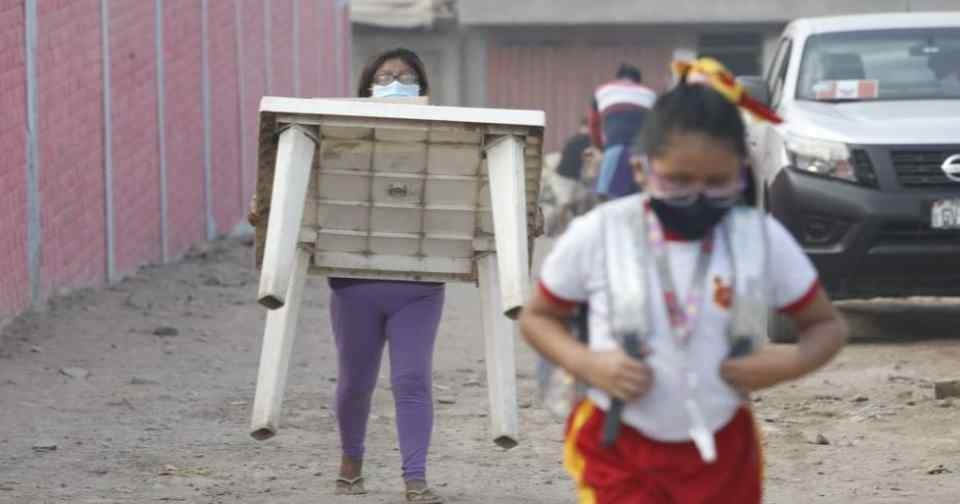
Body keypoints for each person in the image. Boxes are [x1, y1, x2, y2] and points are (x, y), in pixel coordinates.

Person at [519, 58, 848, 503]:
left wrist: (783, 364)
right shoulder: (600, 234)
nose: (697, 195)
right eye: (678, 180)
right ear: (640, 170)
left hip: (722, 451)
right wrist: (588, 364)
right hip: (617, 446)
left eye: (717, 182)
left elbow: (826, 327)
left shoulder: (758, 238)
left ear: (741, 174)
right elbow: (538, 318)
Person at [248, 48, 446, 504]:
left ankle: (415, 479)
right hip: (354, 283)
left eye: (406, 76)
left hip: (419, 286)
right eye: (386, 76)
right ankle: (351, 462)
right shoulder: (339, 143)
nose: (396, 83)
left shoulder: (446, 141)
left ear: (423, 89)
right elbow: (300, 187)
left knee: (412, 380)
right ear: (366, 89)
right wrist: (267, 208)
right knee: (355, 383)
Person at [589, 63, 657, 199]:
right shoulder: (650, 94)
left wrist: (600, 147)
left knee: (608, 196)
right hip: (642, 152)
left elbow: (594, 125)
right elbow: (656, 127)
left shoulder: (601, 91)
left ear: (618, 78)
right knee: (646, 197)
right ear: (638, 81)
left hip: (614, 148)